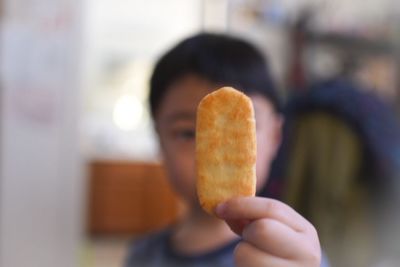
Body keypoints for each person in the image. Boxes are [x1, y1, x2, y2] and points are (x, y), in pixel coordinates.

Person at [125, 33, 323, 267]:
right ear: (159, 141)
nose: (211, 153)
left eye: (239, 131)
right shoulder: (141, 255)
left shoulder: (294, 254)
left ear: (275, 136)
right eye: (187, 133)